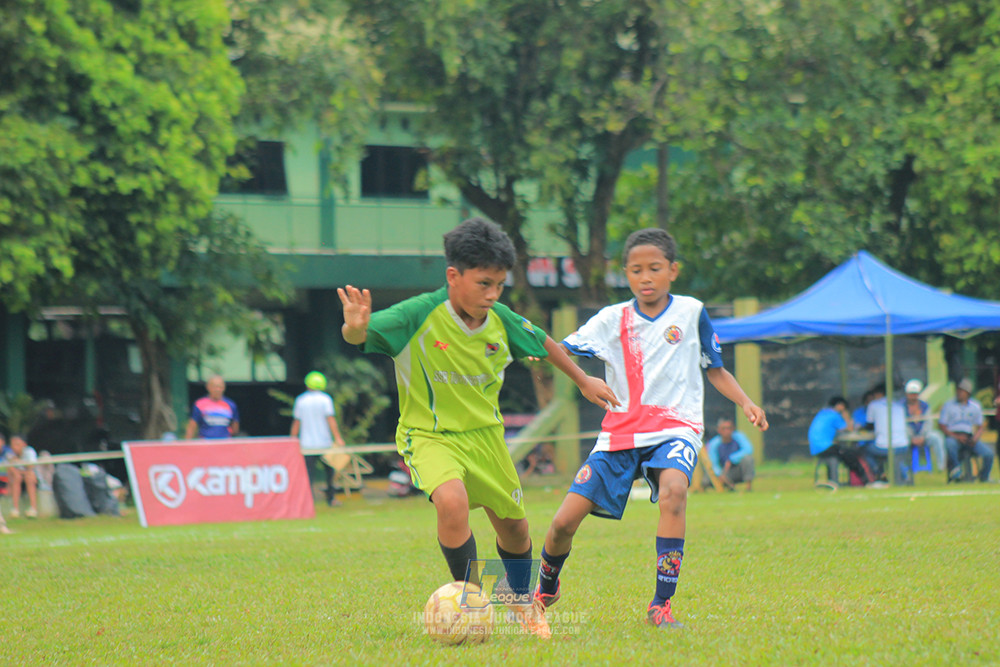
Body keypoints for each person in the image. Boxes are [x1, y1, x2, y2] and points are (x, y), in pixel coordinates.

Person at [338, 217, 619, 639]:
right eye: (484, 283)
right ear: (454, 276)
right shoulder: (417, 314)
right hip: (430, 435)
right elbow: (357, 335)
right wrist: (354, 327)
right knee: (451, 503)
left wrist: (583, 380)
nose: (492, 294)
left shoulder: (500, 319)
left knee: (516, 529)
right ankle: (469, 603)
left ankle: (521, 600)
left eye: (500, 285)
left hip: (486, 437)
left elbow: (543, 342)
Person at [534, 228, 768, 630]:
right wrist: (541, 354)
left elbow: (715, 369)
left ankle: (661, 604)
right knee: (562, 523)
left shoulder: (691, 313)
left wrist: (746, 402)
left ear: (673, 270)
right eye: (636, 270)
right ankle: (546, 586)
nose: (646, 277)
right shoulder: (612, 319)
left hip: (676, 428)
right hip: (620, 434)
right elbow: (559, 348)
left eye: (655, 268)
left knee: (674, 492)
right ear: (625, 273)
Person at [290, 371, 347, 507]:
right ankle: (331, 498)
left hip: (307, 444)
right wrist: (338, 437)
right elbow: (331, 419)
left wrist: (292, 439)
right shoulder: (325, 399)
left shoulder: (301, 400)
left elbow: (296, 422)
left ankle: (308, 501)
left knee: (308, 474)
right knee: (330, 472)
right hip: (325, 442)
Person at [807, 396, 875, 486]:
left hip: (816, 448)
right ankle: (866, 480)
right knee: (852, 455)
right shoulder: (834, 415)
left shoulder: (823, 413)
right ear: (840, 405)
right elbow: (850, 428)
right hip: (825, 447)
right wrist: (846, 415)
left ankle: (837, 481)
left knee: (845, 453)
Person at [940, 378, 994, 482]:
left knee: (988, 454)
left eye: (962, 391)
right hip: (953, 436)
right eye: (958, 390)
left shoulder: (975, 406)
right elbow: (942, 425)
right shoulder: (948, 405)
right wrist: (956, 437)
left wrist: (975, 438)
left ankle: (984, 477)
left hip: (969, 437)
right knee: (950, 445)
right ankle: (956, 471)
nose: (959, 393)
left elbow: (980, 426)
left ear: (968, 393)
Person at [862, 386, 910, 483]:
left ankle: (879, 473)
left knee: (865, 451)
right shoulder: (899, 405)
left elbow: (869, 425)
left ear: (878, 394)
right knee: (893, 457)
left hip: (885, 447)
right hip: (904, 445)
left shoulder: (873, 405)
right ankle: (903, 476)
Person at [902, 379, 945, 472]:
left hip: (924, 435)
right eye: (911, 394)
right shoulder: (902, 406)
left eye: (915, 394)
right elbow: (902, 425)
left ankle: (941, 467)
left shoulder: (924, 406)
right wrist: (912, 438)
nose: (913, 396)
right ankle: (905, 467)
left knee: (937, 437)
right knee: (900, 440)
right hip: (908, 436)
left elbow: (928, 422)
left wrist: (923, 436)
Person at [702, 417, 755, 491]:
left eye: (729, 428)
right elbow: (713, 463)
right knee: (706, 479)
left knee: (748, 459)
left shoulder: (738, 437)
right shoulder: (714, 444)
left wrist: (731, 459)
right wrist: (720, 474)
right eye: (724, 429)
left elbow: (748, 450)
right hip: (723, 471)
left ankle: (748, 487)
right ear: (719, 430)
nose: (727, 431)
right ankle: (724, 486)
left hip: (736, 470)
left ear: (733, 429)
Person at [184, 375, 240, 439]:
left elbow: (235, 428)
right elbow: (192, 427)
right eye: (215, 387)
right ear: (208, 387)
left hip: (224, 442)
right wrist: (187, 443)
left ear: (224, 388)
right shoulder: (199, 404)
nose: (217, 390)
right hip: (205, 442)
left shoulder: (231, 405)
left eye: (220, 387)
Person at [2, 434, 39, 518]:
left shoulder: (29, 451)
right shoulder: (9, 454)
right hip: (16, 479)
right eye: (12, 445)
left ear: (24, 444)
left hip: (31, 478)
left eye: (17, 444)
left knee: (29, 477)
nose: (14, 447)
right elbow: (11, 469)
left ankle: (33, 508)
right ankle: (15, 509)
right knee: (16, 478)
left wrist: (18, 461)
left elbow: (31, 467)